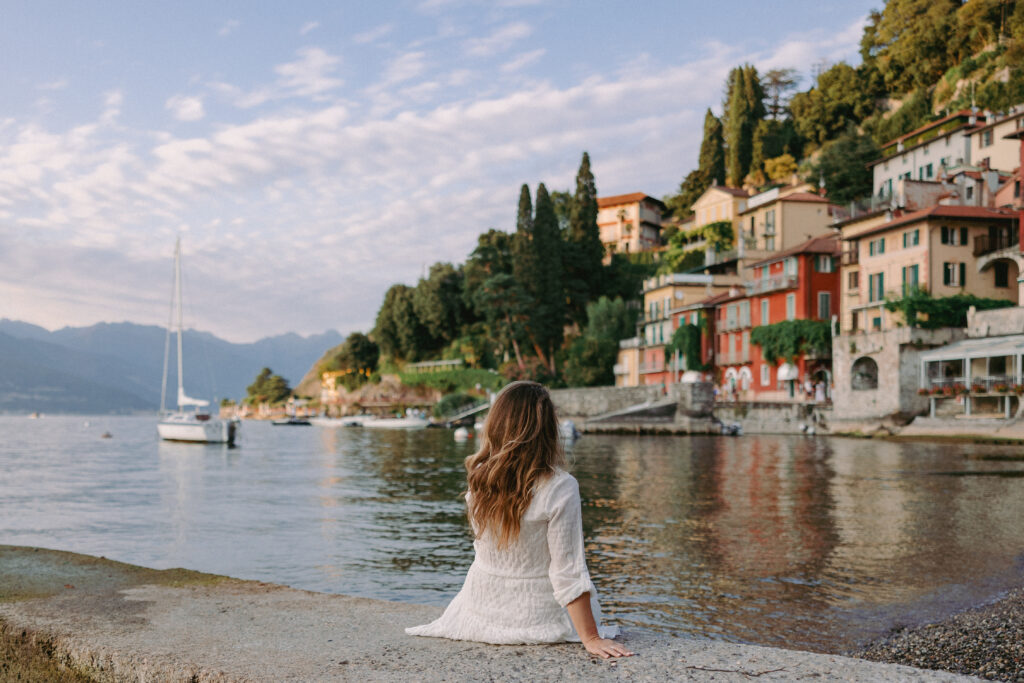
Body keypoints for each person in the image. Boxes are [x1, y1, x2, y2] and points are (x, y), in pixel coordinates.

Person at [406, 381, 632, 659]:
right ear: (547, 429)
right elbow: (568, 571)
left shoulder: (480, 476)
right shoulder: (560, 486)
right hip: (538, 617)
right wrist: (592, 638)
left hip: (480, 611)